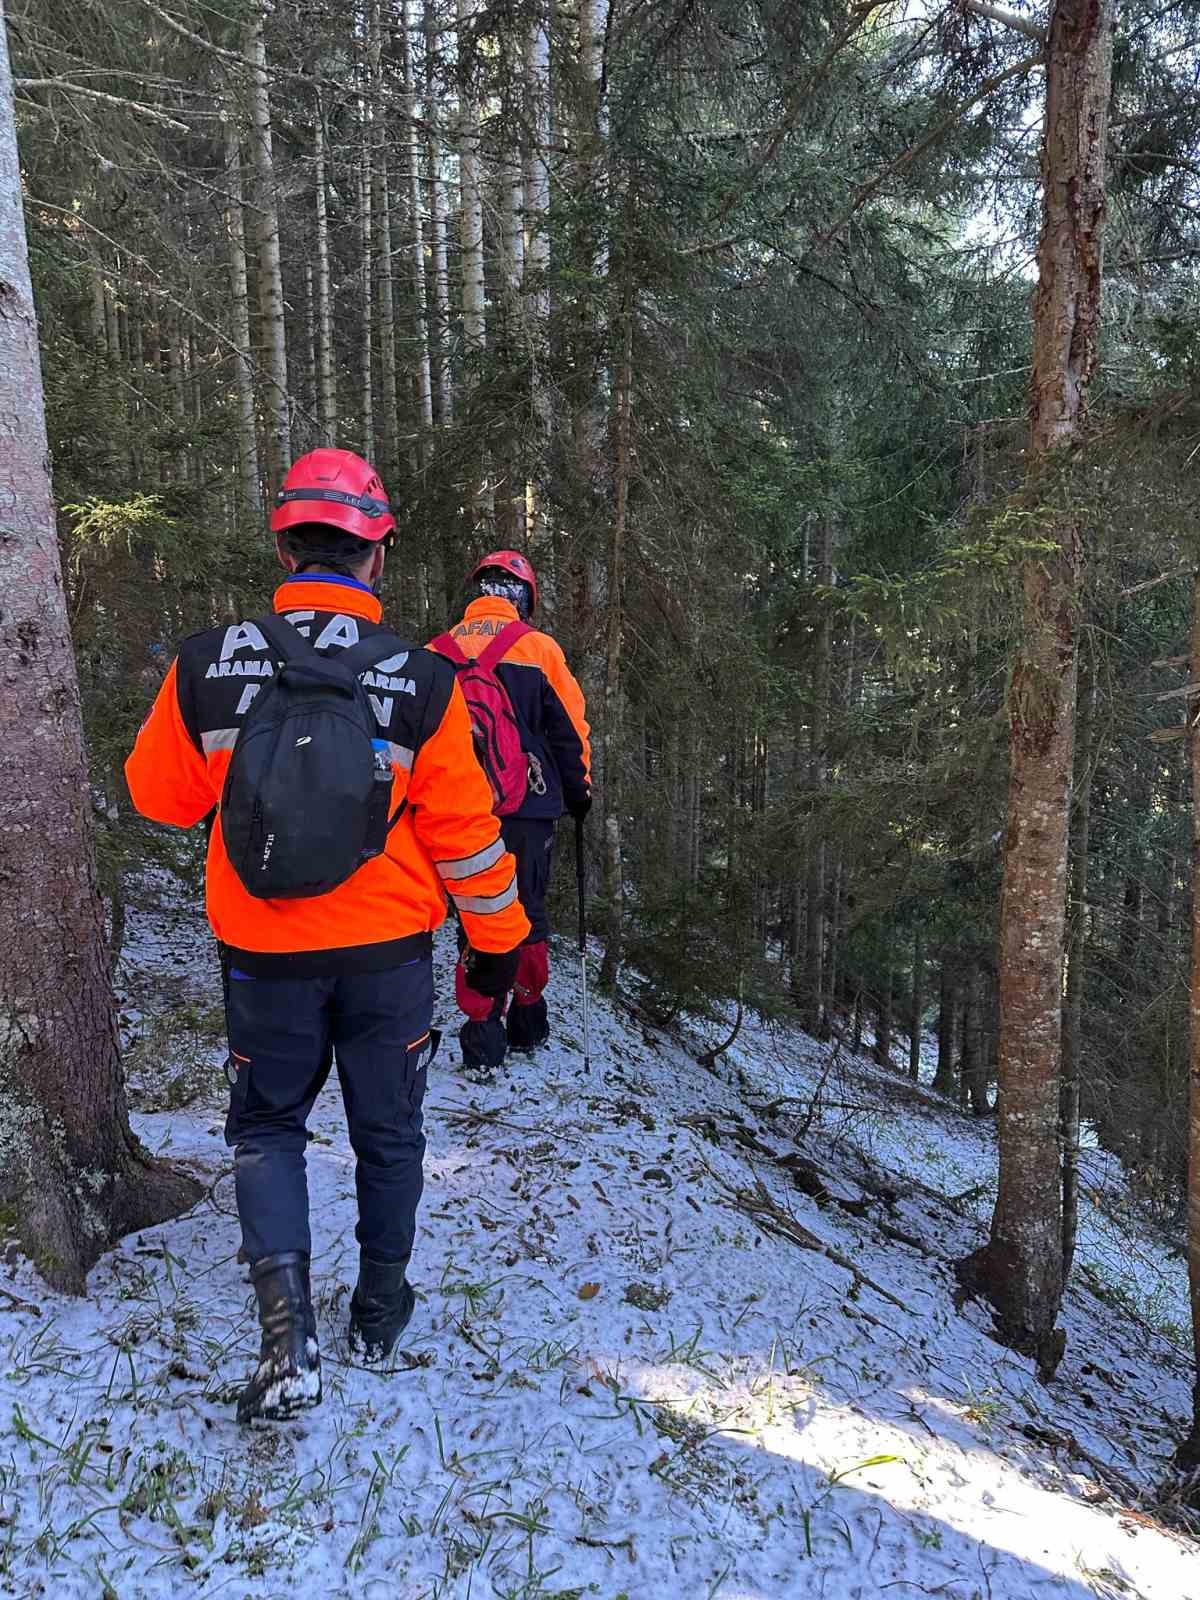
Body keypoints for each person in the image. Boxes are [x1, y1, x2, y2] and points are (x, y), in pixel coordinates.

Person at [125, 450, 529, 1424]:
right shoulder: (420, 680)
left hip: (264, 953)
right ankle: (381, 1308)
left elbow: (156, 797)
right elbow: (467, 838)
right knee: (388, 1132)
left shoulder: (207, 663)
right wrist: (498, 943)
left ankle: (286, 1335)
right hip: (388, 953)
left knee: (266, 1125)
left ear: (283, 540)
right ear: (378, 554)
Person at [430, 551, 590, 1074]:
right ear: (525, 598)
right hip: (528, 806)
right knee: (528, 911)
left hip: (456, 808)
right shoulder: (539, 649)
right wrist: (579, 793)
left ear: (477, 593)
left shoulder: (436, 652)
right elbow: (569, 734)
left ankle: (480, 1031)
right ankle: (527, 1016)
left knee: (476, 914)